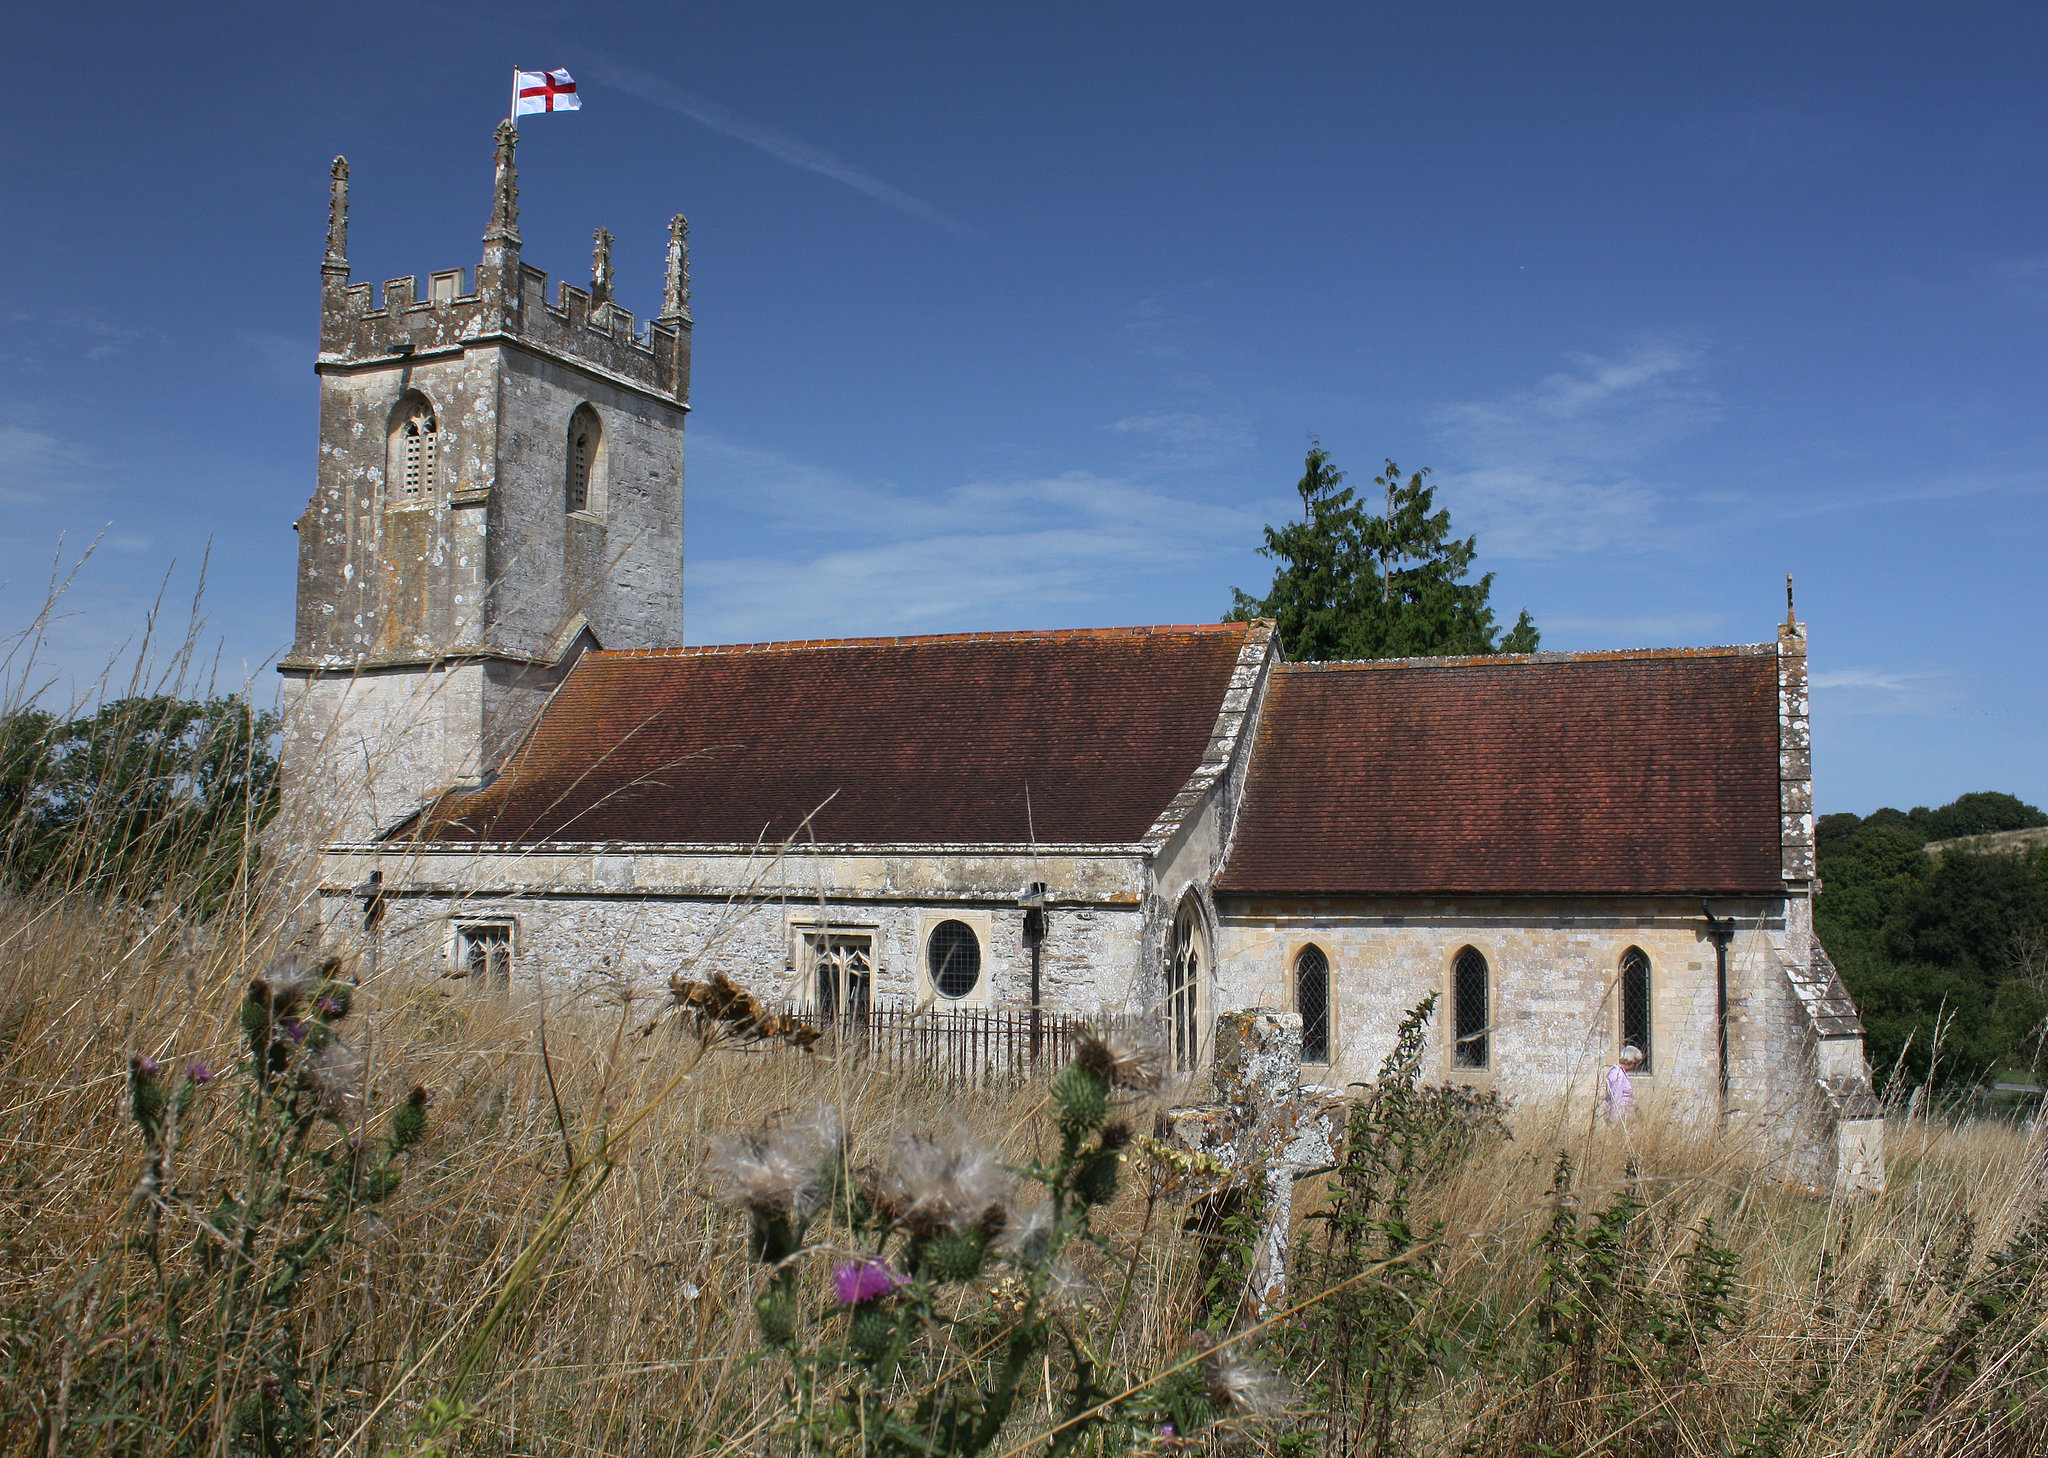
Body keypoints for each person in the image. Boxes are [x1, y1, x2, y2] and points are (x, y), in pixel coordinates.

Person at [1605, 1045, 1644, 1122]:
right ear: (1627, 1062)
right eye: (1634, 1063)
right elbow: (1616, 1099)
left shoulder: (1621, 1073)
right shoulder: (1618, 1075)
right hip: (1620, 1120)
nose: (1634, 1066)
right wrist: (1614, 1122)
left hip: (1624, 1118)